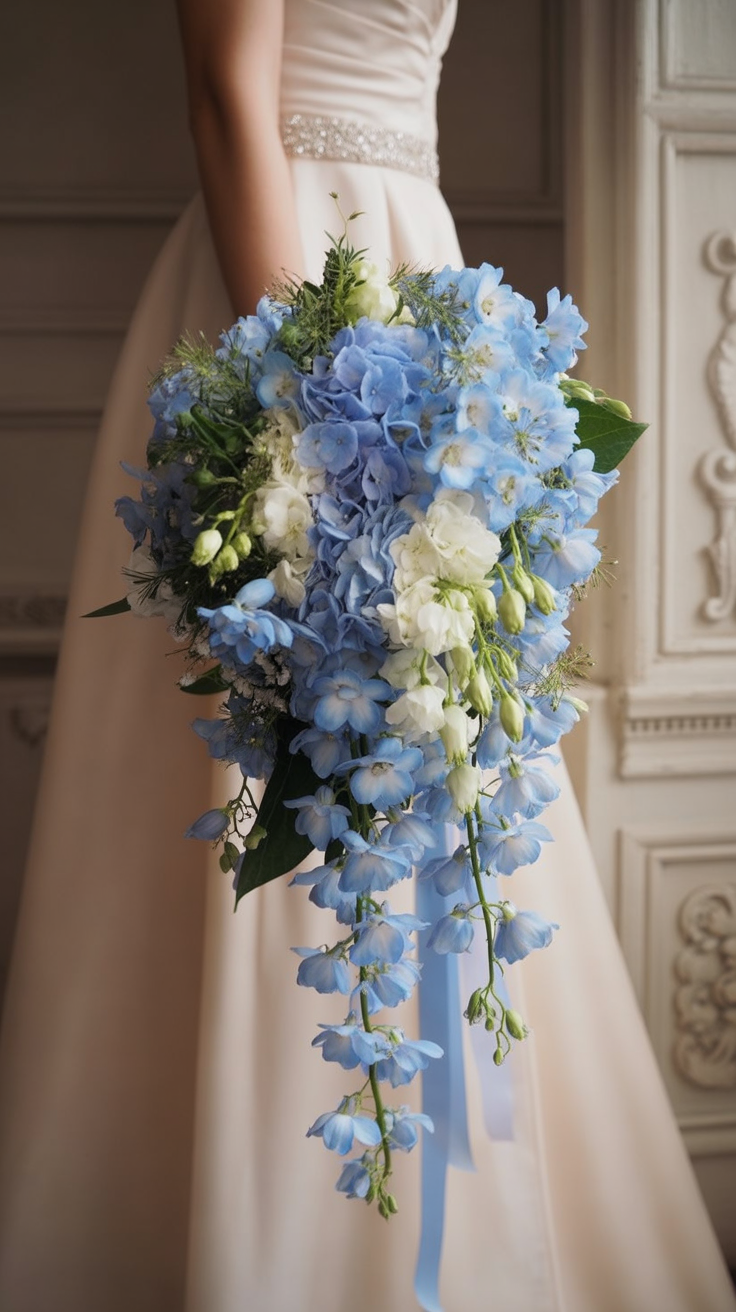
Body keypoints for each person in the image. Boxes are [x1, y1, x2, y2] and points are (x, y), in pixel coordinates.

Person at [0, 2, 734, 1310]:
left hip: (418, 277)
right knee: (279, 751)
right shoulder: (300, 363)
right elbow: (230, 96)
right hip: (289, 293)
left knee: (442, 763)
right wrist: (316, 432)